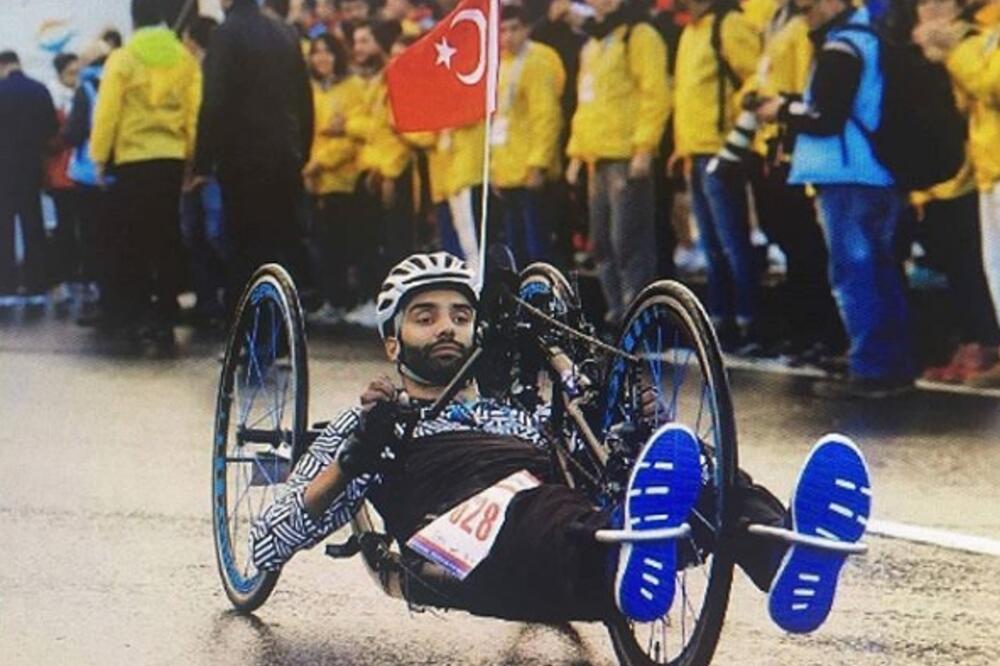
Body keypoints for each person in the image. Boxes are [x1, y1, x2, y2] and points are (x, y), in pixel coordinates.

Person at [249, 251, 872, 633]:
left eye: (461, 316)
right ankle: (627, 550)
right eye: (425, 316)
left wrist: (636, 427)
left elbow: (588, 458)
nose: (447, 328)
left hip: (562, 500)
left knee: (704, 474)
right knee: (539, 509)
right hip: (464, 520)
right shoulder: (372, 422)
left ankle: (783, 554)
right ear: (392, 341)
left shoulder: (513, 413)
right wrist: (352, 461)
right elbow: (266, 540)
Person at [757, 0, 915, 398]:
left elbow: (824, 118)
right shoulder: (868, 39)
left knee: (854, 273)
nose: (805, 16)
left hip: (848, 175)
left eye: (809, 8)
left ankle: (872, 367)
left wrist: (782, 109)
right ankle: (891, 362)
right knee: (880, 270)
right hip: (874, 173)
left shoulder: (841, 47)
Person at [89, 0, 201, 354]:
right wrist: (191, 158)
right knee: (166, 236)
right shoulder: (184, 59)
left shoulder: (122, 59)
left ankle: (136, 317)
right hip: (170, 159)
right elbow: (194, 113)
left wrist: (100, 157)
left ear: (134, 19)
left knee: (133, 239)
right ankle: (166, 316)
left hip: (133, 160)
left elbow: (107, 112)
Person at [193, 0, 315, 318]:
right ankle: (280, 322)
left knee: (243, 246)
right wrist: (303, 149)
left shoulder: (225, 34)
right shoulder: (284, 33)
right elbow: (304, 98)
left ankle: (246, 324)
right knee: (278, 244)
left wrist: (202, 161)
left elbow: (214, 101)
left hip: (242, 157)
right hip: (284, 155)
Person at [565, 0, 670, 330]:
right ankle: (617, 315)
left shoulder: (639, 35)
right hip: (597, 158)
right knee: (601, 243)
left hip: (626, 156)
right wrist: (576, 153)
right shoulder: (593, 44)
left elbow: (655, 94)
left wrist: (645, 147)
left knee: (629, 241)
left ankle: (639, 321)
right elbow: (586, 103)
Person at [673, 0, 763, 353]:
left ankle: (748, 321)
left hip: (722, 151)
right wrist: (681, 147)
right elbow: (687, 95)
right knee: (711, 245)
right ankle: (720, 321)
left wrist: (737, 137)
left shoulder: (729, 24)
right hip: (696, 150)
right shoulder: (691, 32)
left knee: (732, 241)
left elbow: (755, 79)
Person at [923, 0, 1000, 386]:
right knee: (994, 271)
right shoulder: (985, 31)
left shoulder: (976, 36)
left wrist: (954, 48)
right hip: (988, 168)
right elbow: (969, 100)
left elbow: (992, 85)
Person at [491, 5, 566, 267]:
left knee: (538, 247)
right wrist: (495, 169)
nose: (508, 36)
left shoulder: (537, 62)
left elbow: (546, 117)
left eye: (514, 29)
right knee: (516, 248)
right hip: (507, 169)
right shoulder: (499, 65)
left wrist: (538, 164)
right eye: (502, 31)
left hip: (530, 170)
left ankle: (545, 292)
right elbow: (497, 121)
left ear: (526, 30)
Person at [302, 33, 366, 325]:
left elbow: (350, 139)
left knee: (341, 243)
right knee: (321, 244)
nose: (322, 58)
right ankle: (329, 299)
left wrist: (320, 163)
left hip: (342, 178)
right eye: (316, 52)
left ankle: (342, 300)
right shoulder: (311, 90)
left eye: (327, 52)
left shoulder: (353, 87)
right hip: (314, 179)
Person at [180, 16, 229, 327]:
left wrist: (200, 166)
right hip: (193, 168)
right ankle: (206, 298)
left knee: (214, 232)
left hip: (210, 169)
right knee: (195, 233)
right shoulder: (190, 74)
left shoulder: (214, 75)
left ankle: (226, 294)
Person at [0, 50, 59, 306]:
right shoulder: (39, 90)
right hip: (31, 167)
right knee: (33, 224)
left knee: (3, 228)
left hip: (3, 169)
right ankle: (36, 284)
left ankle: (5, 287)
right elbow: (52, 129)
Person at [45, 52, 84, 304]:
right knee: (64, 228)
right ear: (60, 74)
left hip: (81, 173)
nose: (75, 78)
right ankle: (63, 276)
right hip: (60, 173)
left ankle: (82, 276)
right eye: (71, 73)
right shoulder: (52, 100)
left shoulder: (85, 95)